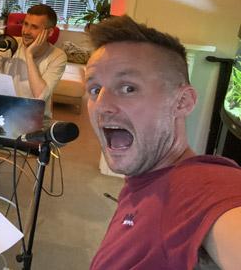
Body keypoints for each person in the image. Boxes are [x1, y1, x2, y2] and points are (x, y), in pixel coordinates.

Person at [85, 15, 241, 269]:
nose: (101, 105)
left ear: (182, 102)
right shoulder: (143, 179)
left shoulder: (202, 185)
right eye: (94, 90)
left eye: (128, 88)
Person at [0, 4, 66, 117]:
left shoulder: (58, 56)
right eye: (25, 24)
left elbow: (40, 96)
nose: (26, 31)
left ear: (49, 32)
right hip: (4, 112)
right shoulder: (9, 44)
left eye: (34, 27)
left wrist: (29, 55)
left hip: (36, 116)